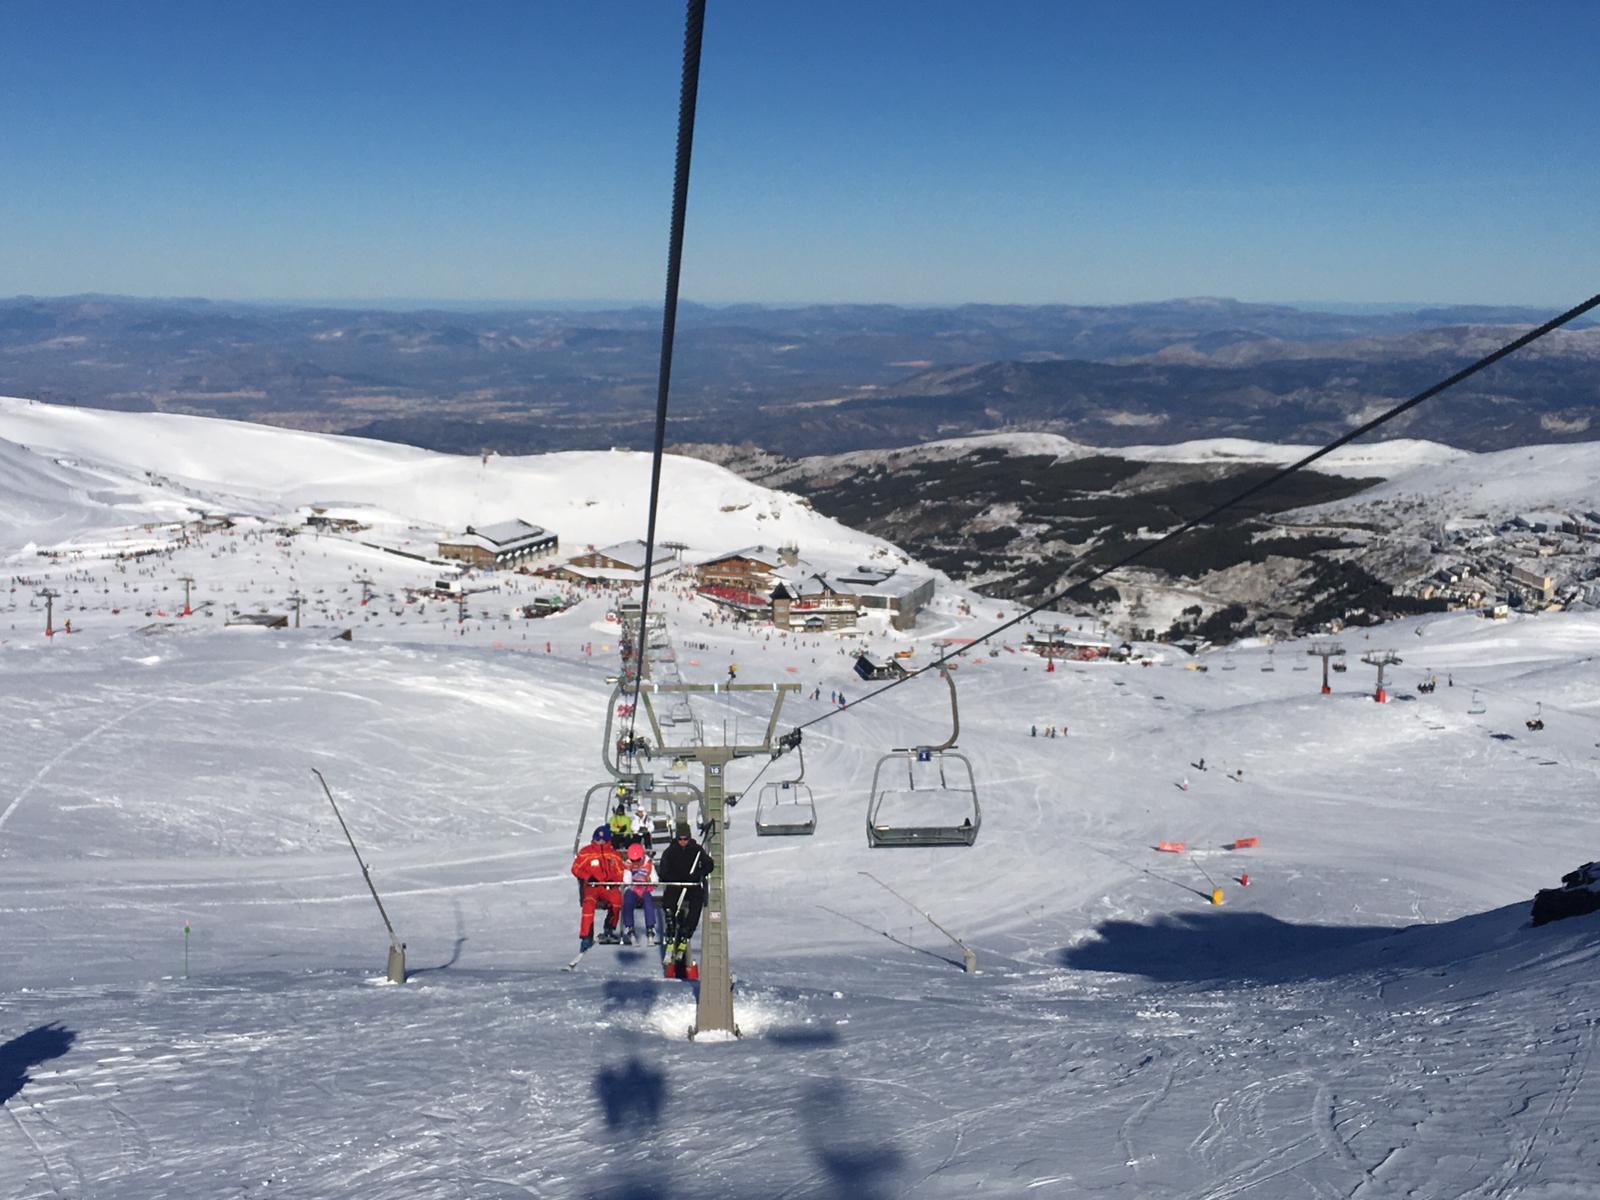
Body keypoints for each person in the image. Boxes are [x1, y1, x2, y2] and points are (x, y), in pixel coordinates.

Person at [657, 822, 715, 971]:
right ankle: (671, 928)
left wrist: (700, 872)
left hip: (692, 885)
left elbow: (709, 864)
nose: (683, 841)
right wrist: (671, 878)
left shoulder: (696, 850)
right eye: (680, 839)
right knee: (670, 900)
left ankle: (686, 931)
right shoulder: (670, 851)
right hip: (676, 883)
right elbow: (663, 870)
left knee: (697, 901)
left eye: (685, 839)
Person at [570, 827, 623, 950]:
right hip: (592, 886)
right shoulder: (586, 852)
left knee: (617, 899)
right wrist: (588, 877)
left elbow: (620, 871)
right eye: (597, 839)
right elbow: (576, 868)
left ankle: (609, 928)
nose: (599, 841)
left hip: (607, 886)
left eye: (602, 839)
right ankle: (586, 936)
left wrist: (614, 881)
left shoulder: (613, 854)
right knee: (588, 904)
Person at [620, 843, 659, 945]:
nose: (635, 863)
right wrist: (631, 883)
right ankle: (629, 927)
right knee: (627, 900)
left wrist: (651, 884)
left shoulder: (648, 863)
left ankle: (650, 927)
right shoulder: (628, 865)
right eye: (633, 860)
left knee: (648, 901)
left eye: (637, 860)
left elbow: (654, 878)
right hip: (633, 889)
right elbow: (626, 879)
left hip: (645, 888)